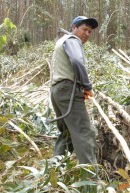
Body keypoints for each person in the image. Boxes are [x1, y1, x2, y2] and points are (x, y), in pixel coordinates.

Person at [50, 16, 98, 165]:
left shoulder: (62, 41)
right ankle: (90, 181)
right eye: (84, 29)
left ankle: (55, 170)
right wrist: (87, 86)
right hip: (68, 91)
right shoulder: (72, 40)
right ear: (74, 28)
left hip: (58, 91)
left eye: (90, 32)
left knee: (67, 133)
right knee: (84, 133)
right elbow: (77, 61)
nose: (87, 34)